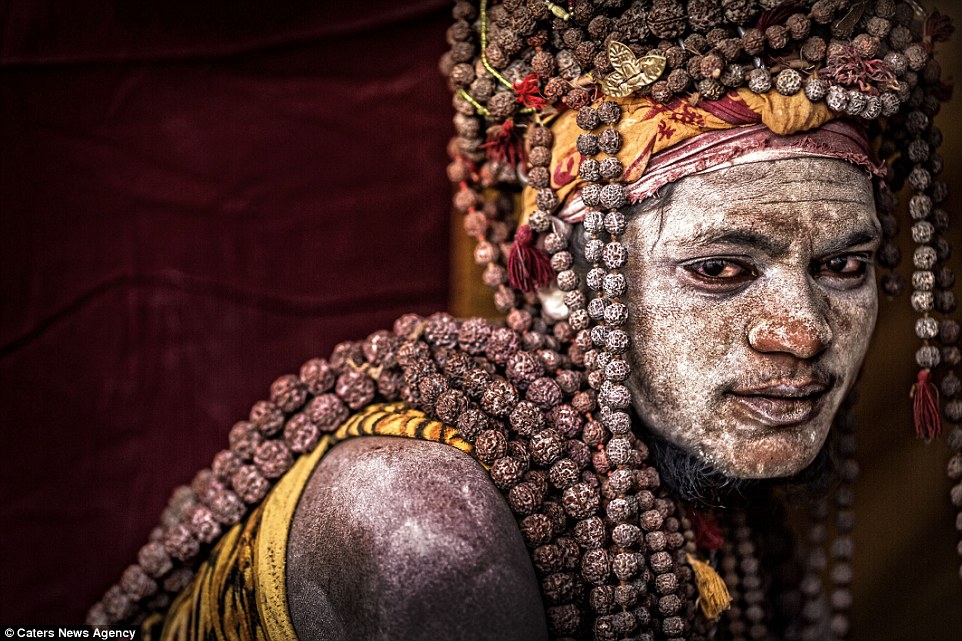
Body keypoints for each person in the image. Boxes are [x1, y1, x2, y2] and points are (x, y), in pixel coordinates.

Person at [88, 1, 961, 640]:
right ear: (553, 276)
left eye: (843, 266)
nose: (802, 330)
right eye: (720, 269)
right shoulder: (421, 528)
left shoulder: (701, 500)